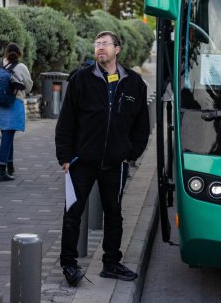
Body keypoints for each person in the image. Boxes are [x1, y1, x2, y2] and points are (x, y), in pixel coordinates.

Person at [55, 31, 150, 286]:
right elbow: (66, 121)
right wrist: (65, 156)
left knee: (114, 213)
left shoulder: (134, 84)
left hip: (115, 164)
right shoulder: (80, 80)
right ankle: (69, 264)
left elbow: (142, 126)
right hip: (81, 162)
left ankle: (111, 263)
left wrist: (130, 154)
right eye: (97, 44)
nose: (100, 48)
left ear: (117, 49)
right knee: (72, 213)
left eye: (105, 44)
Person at [0, 42, 33, 182]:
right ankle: (1, 171)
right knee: (8, 136)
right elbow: (28, 87)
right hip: (13, 104)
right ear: (19, 54)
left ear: (5, 52)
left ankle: (10, 166)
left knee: (7, 134)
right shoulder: (21, 67)